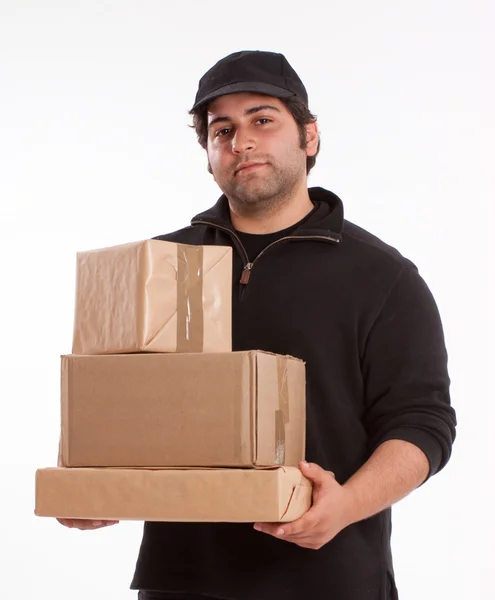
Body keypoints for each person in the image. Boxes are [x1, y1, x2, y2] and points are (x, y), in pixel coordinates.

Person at [58, 50, 457, 600]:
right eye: (222, 130)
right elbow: (113, 394)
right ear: (208, 156)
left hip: (327, 578)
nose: (240, 141)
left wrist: (345, 507)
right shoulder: (162, 264)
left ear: (309, 137)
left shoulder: (381, 276)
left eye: (262, 120)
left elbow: (422, 424)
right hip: (182, 582)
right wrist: (91, 480)